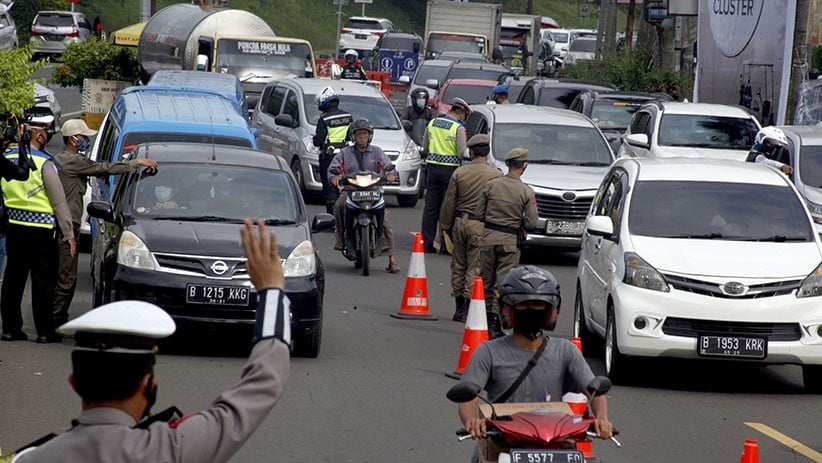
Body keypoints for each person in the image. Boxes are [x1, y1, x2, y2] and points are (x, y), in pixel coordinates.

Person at [11, 218, 291, 462]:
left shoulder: (31, 458)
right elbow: (265, 381)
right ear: (149, 386)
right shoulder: (173, 448)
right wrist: (271, 291)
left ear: (74, 382)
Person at [456, 265, 613, 459]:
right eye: (523, 305)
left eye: (538, 305)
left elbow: (595, 392)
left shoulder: (565, 350)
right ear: (508, 309)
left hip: (554, 445)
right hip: (502, 445)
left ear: (551, 310)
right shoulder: (488, 352)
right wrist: (472, 422)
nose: (531, 310)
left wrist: (602, 419)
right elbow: (467, 402)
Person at [52, 119, 159, 327]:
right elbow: (103, 168)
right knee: (66, 278)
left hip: (58, 224)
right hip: (67, 226)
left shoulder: (61, 159)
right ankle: (55, 320)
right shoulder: (71, 161)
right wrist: (135, 163)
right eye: (83, 137)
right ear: (72, 139)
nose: (86, 141)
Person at [0, 123, 75, 343]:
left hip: (14, 226)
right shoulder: (44, 162)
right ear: (40, 136)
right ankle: (44, 331)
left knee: (13, 279)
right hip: (42, 231)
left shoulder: (7, 157)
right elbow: (59, 201)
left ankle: (10, 329)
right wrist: (68, 234)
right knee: (43, 282)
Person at [475, 148, 538, 339]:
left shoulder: (491, 185)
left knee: (486, 281)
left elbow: (479, 213)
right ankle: (495, 323)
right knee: (501, 284)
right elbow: (532, 223)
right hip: (510, 241)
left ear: (508, 164)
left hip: (489, 237)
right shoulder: (526, 191)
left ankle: (481, 320)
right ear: (524, 166)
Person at [439, 134, 502, 322]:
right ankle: (468, 307)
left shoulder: (460, 173)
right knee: (474, 267)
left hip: (460, 222)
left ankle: (458, 309)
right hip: (480, 225)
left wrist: (445, 225)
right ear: (487, 152)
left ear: (472, 152)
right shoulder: (496, 175)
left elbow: (449, 202)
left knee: (458, 264)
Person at [328, 118, 401, 274]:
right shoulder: (345, 153)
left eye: (365, 134)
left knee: (386, 222)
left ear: (370, 136)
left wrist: (391, 175)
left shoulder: (377, 151)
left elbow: (388, 166)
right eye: (359, 134)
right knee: (339, 206)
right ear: (353, 137)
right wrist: (335, 177)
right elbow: (333, 168)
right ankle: (341, 239)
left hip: (373, 189)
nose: (362, 137)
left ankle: (392, 260)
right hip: (350, 189)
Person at [421, 97, 470, 254]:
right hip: (450, 171)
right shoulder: (459, 128)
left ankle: (426, 243)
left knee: (430, 208)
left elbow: (425, 147)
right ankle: (445, 245)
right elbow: (462, 153)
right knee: (447, 209)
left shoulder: (433, 123)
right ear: (461, 113)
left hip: (432, 169)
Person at [312, 86, 353, 214]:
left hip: (329, 157)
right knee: (346, 183)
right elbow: (350, 136)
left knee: (330, 186)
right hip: (345, 155)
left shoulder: (324, 119)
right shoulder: (348, 116)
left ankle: (332, 217)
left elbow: (318, 141)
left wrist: (314, 139)